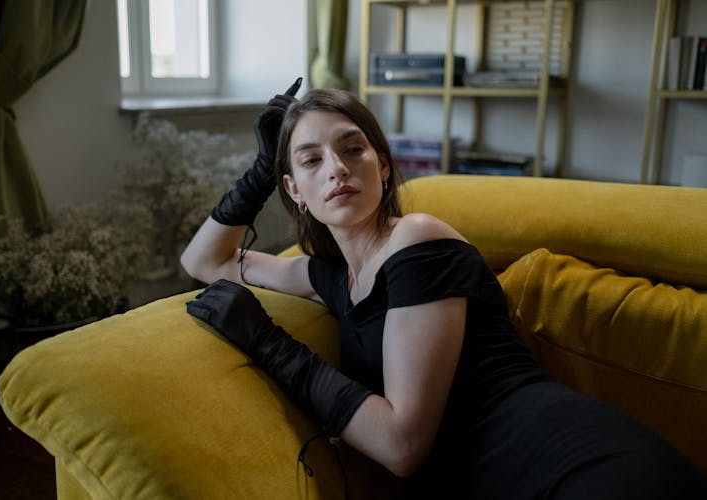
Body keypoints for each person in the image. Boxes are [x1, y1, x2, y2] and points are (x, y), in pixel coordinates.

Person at [180, 82, 707, 499]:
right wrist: (259, 174)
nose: (338, 168)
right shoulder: (332, 276)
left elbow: (402, 442)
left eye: (352, 148)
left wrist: (267, 342)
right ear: (293, 190)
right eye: (311, 160)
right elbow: (204, 260)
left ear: (382, 167)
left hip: (583, 471)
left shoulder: (416, 238)